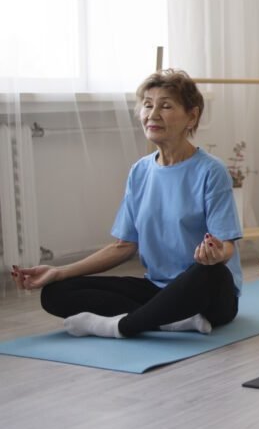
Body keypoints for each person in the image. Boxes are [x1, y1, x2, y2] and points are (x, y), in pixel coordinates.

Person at [9, 70, 243, 338]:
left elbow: (225, 246)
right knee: (55, 293)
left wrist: (213, 255)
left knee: (211, 273)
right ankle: (169, 319)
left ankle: (120, 326)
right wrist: (58, 272)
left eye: (165, 106)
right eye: (147, 104)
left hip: (209, 294)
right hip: (157, 288)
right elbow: (123, 246)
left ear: (192, 115)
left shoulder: (211, 171)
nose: (152, 114)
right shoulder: (140, 171)